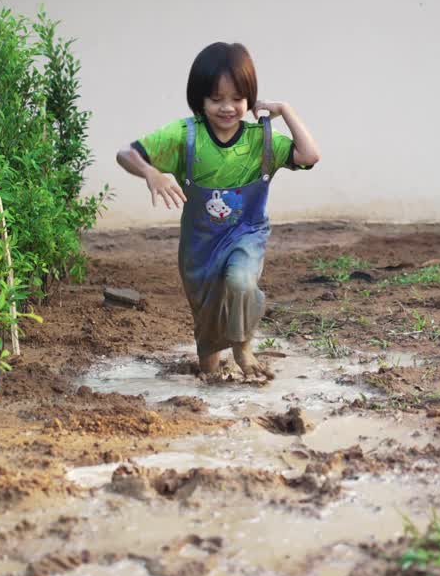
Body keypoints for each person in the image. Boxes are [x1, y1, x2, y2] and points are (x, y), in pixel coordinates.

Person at [116, 42, 321, 380]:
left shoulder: (261, 140)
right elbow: (126, 153)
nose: (227, 108)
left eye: (237, 99)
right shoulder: (185, 135)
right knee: (208, 332)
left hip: (246, 234)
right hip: (199, 247)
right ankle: (209, 374)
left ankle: (242, 345)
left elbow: (310, 155)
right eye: (216, 99)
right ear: (200, 100)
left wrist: (285, 109)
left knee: (241, 281)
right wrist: (151, 172)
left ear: (249, 99)